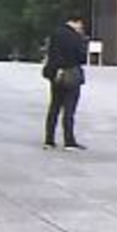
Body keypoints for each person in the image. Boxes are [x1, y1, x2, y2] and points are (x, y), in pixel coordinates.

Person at [42, 14, 89, 150]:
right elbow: (81, 57)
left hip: (56, 74)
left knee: (54, 107)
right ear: (78, 22)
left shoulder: (56, 33)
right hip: (71, 74)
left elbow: (51, 53)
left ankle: (49, 140)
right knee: (69, 109)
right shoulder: (76, 37)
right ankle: (69, 141)